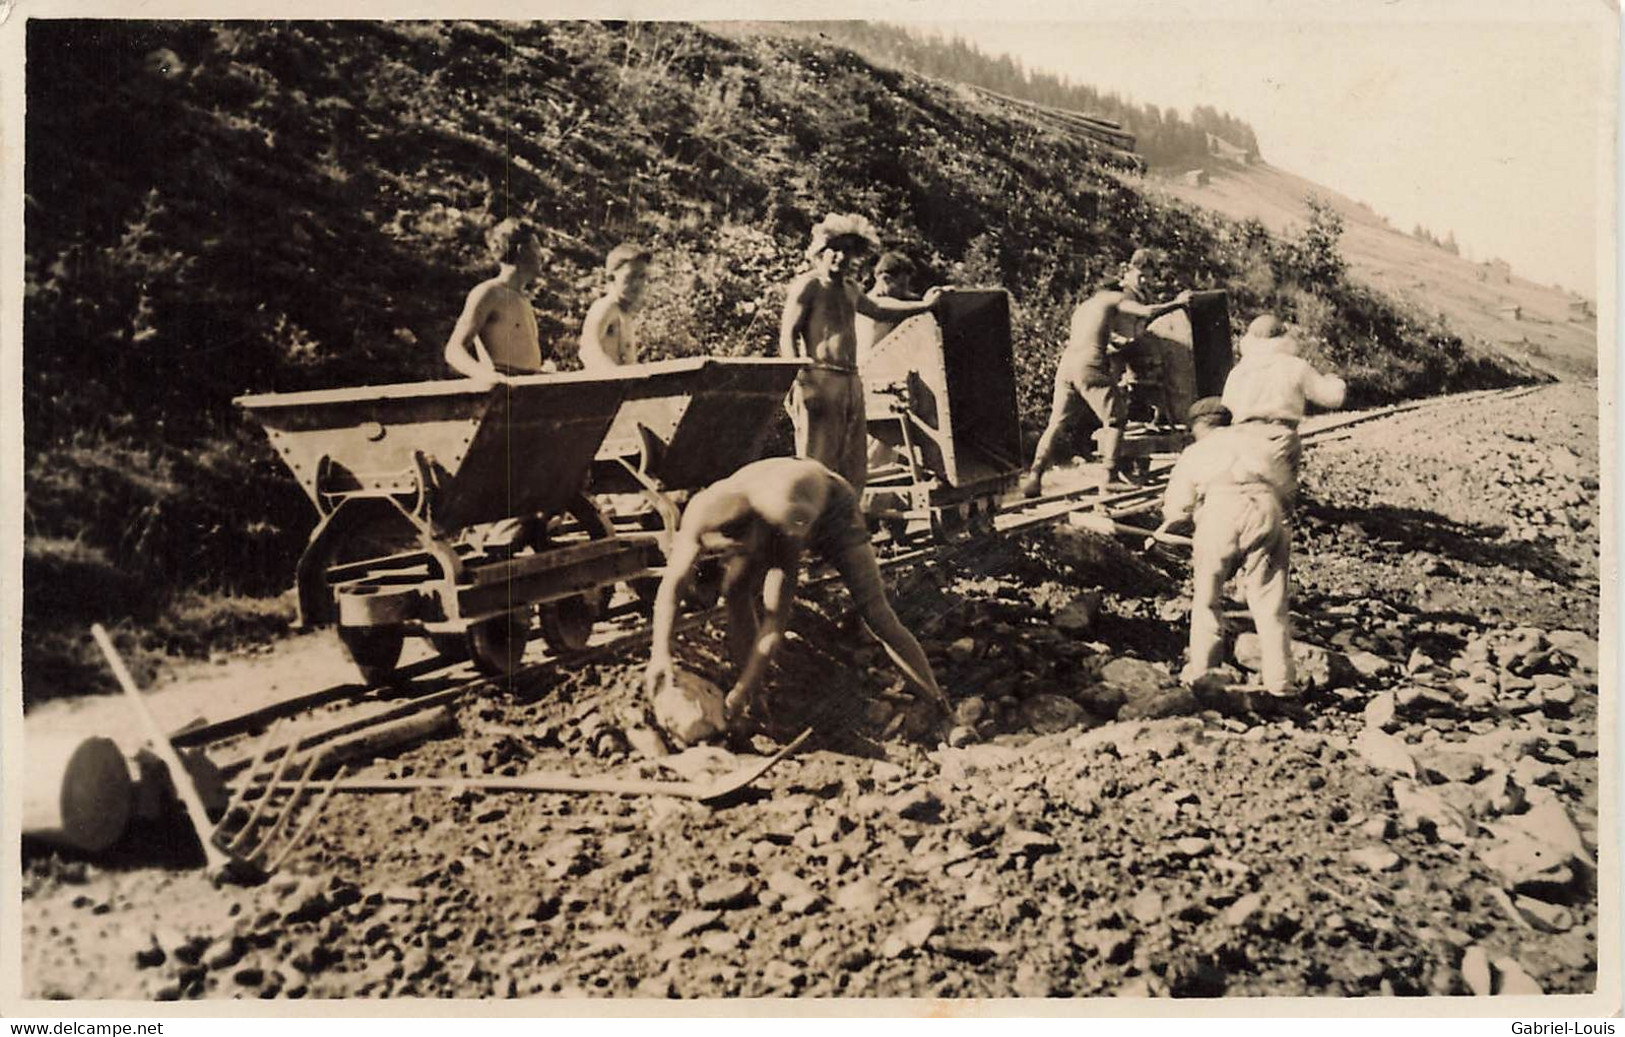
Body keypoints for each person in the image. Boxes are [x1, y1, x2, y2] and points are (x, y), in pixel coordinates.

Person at [644, 456, 950, 728]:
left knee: (875, 611)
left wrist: (740, 689)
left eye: (738, 551)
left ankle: (940, 708)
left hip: (832, 508)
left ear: (756, 532)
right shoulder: (700, 512)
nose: (730, 559)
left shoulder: (784, 520)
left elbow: (775, 622)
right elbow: (671, 588)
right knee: (735, 590)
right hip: (779, 503)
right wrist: (659, 654)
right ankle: (756, 704)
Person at [780, 214, 943, 495]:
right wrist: (800, 378)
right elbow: (788, 333)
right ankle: (810, 531)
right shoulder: (810, 285)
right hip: (820, 377)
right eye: (836, 249)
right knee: (816, 464)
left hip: (852, 381)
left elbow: (880, 310)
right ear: (822, 250)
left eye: (848, 251)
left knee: (854, 466)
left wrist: (925, 306)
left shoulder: (851, 288)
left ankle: (846, 528)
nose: (841, 256)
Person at [1148, 398, 1296, 694]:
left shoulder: (1195, 451)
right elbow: (1288, 489)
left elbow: (1177, 508)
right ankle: (1282, 684)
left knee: (1207, 598)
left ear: (1199, 426)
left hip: (1220, 509)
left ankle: (1204, 675)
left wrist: (1175, 526)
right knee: (1270, 602)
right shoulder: (1261, 444)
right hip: (1266, 508)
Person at [1021, 274, 1191, 497]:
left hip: (1067, 364)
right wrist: (1178, 303)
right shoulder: (1112, 299)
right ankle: (1109, 477)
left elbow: (1098, 337)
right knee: (1116, 418)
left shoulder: (1084, 307)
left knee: (1056, 423)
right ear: (1115, 290)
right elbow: (1147, 312)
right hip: (1089, 363)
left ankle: (1034, 477)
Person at [1220, 314, 1348, 502]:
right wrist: (1336, 382)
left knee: (1247, 492)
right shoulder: (1294, 365)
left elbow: (1226, 408)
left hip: (1242, 435)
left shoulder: (1239, 371)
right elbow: (1331, 398)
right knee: (1281, 497)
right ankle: (1283, 521)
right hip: (1279, 435)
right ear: (1283, 337)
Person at [444, 218, 548, 379]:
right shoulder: (489, 293)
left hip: (530, 391)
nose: (542, 255)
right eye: (537, 247)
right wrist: (488, 376)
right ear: (521, 250)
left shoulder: (522, 298)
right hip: (505, 395)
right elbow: (454, 350)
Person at [579, 243, 652, 370]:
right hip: (606, 385)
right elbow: (588, 350)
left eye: (642, 277)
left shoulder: (624, 313)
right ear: (611, 278)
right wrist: (616, 377)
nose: (638, 284)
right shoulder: (605, 307)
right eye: (631, 277)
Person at [855, 251, 921, 359]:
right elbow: (894, 306)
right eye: (901, 286)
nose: (905, 292)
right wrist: (930, 301)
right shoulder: (879, 303)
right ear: (885, 279)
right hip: (870, 368)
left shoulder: (864, 301)